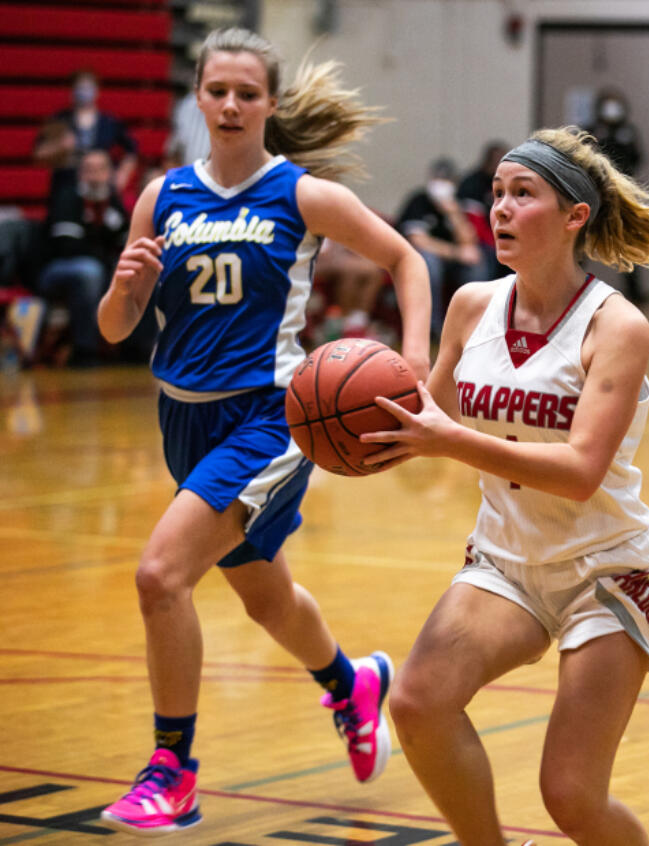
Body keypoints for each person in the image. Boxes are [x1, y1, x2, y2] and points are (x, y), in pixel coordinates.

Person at [94, 27, 431, 836]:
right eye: (218, 91)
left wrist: (416, 363)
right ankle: (352, 684)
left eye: (248, 93)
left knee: (159, 576)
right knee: (265, 599)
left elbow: (407, 261)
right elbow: (113, 329)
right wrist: (124, 287)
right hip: (182, 420)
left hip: (268, 418)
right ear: (198, 99)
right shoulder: (162, 196)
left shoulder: (300, 194)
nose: (233, 105)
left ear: (270, 104)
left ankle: (171, 770)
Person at [360, 126, 649, 846]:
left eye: (524, 194)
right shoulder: (472, 305)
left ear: (576, 216)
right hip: (506, 560)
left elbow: (581, 473)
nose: (502, 210)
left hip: (604, 568)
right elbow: (430, 415)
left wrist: (445, 438)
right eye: (496, 195)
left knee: (571, 798)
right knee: (419, 701)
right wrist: (343, 423)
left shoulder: (618, 325)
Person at [37, 147, 127, 366]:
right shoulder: (68, 197)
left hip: (96, 266)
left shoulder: (112, 202)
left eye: (100, 170)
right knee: (90, 271)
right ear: (81, 174)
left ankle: (134, 348)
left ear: (109, 173)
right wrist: (104, 247)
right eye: (89, 170)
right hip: (52, 270)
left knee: (135, 268)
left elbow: (125, 242)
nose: (95, 176)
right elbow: (68, 247)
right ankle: (85, 350)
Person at [397, 157, 486, 339]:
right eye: (437, 179)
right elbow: (417, 240)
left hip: (452, 261)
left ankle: (474, 325)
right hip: (426, 259)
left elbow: (469, 241)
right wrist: (455, 252)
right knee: (428, 262)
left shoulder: (457, 203)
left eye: (446, 180)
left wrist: (453, 213)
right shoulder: (419, 201)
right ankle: (431, 329)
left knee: (476, 264)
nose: (441, 185)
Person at [584, 88, 647, 303]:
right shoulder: (590, 130)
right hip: (594, 191)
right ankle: (574, 286)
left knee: (627, 241)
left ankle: (634, 291)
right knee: (583, 239)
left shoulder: (629, 131)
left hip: (622, 193)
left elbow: (638, 159)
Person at [34, 69, 140, 197]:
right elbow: (39, 154)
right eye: (80, 88)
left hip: (101, 186)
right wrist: (60, 146)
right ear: (72, 91)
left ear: (97, 91)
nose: (84, 92)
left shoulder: (108, 122)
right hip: (67, 184)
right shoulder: (60, 120)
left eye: (88, 87)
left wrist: (122, 175)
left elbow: (132, 149)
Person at [457, 140, 510, 279]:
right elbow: (474, 225)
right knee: (481, 261)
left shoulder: (510, 181)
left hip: (503, 235)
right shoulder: (473, 184)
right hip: (478, 240)